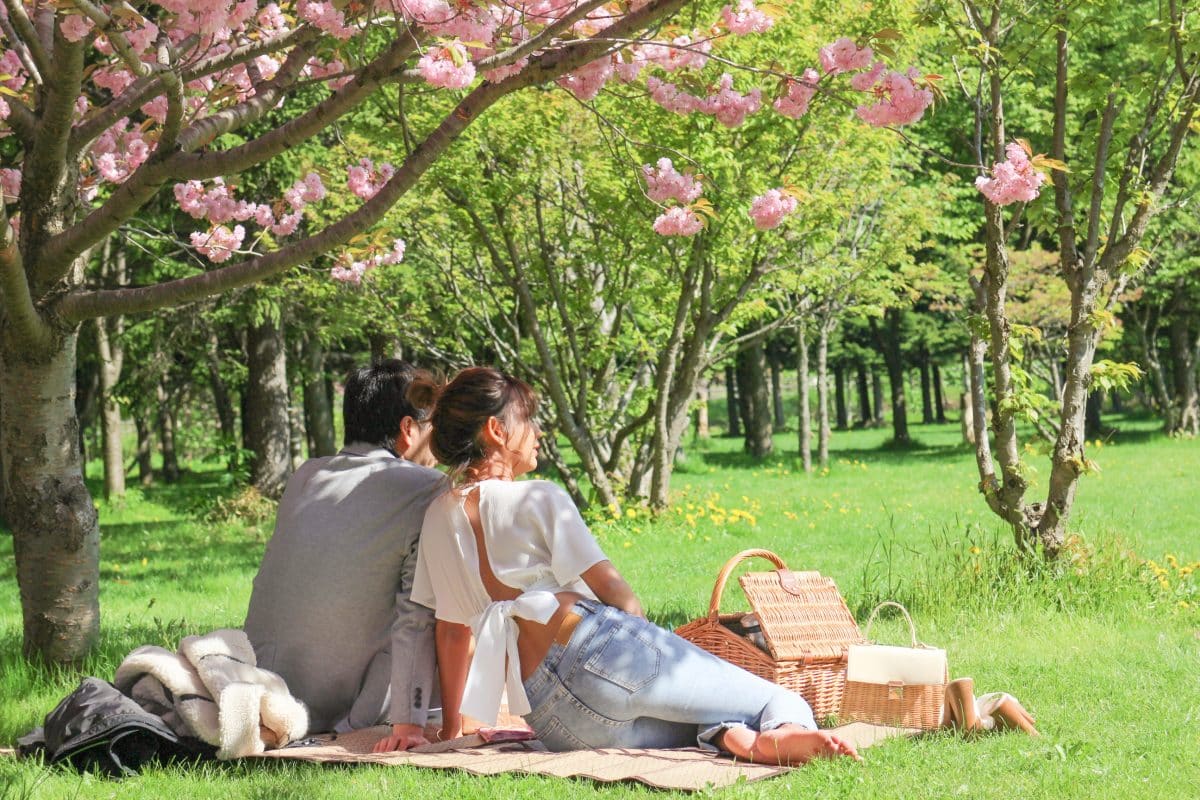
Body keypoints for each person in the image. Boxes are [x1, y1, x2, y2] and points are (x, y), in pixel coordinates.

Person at [411, 367, 861, 764]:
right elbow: (621, 598)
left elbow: (452, 632)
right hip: (598, 648)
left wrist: (453, 729)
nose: (538, 432)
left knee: (696, 723)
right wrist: (650, 656)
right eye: (528, 420)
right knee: (778, 699)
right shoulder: (536, 496)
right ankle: (777, 733)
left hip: (551, 714)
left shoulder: (435, 516)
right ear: (496, 430)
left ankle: (734, 738)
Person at [244, 359, 444, 753]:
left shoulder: (307, 476)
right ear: (408, 430)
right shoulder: (425, 488)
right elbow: (416, 617)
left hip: (263, 683)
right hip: (341, 709)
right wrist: (411, 718)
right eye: (433, 428)